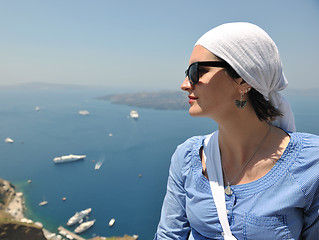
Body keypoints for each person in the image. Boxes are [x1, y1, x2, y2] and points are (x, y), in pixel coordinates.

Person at [155, 22, 319, 239]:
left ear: (243, 80)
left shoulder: (311, 163)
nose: (185, 84)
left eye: (197, 71)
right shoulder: (187, 157)